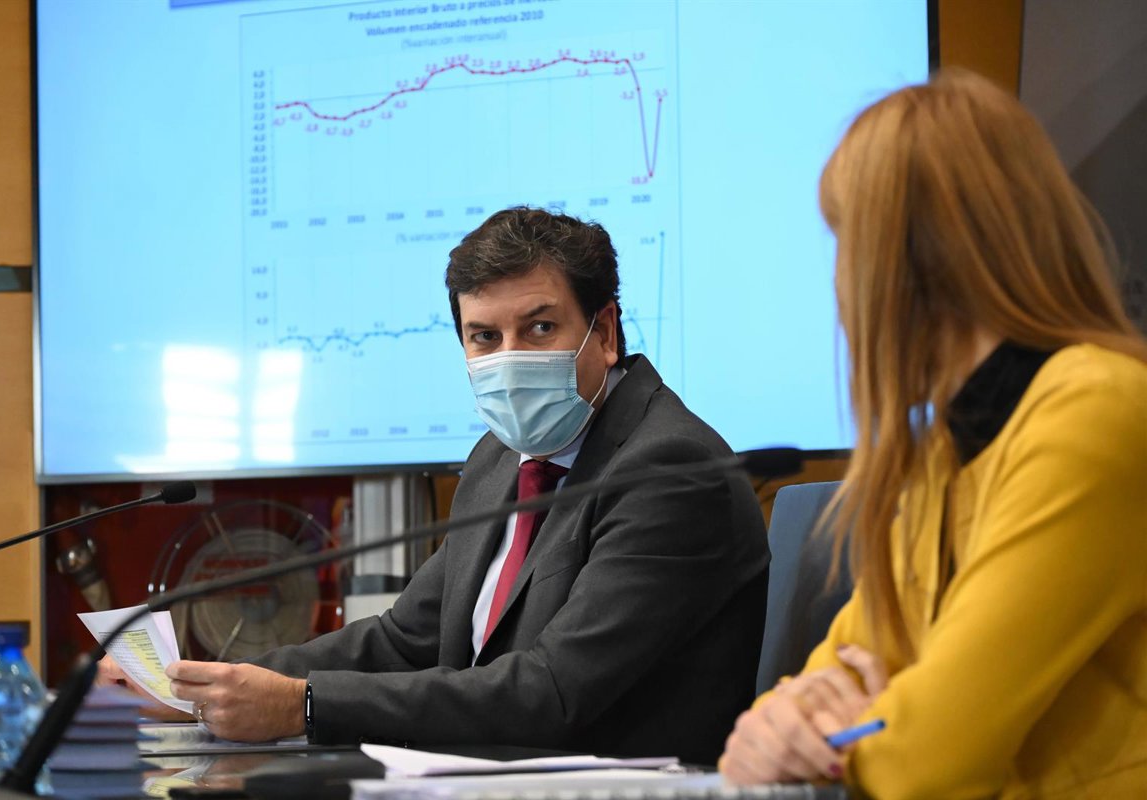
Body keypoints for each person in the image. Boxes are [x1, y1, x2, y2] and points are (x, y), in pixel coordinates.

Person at [102, 207, 769, 765]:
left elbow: (551, 692)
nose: (510, 357)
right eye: (485, 336)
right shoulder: (500, 459)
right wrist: (205, 688)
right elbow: (402, 643)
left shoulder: (671, 470)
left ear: (606, 332)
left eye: (540, 328)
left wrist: (303, 705)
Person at [719, 69, 1147, 798]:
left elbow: (926, 762)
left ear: (902, 259)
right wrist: (785, 725)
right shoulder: (952, 449)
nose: (840, 286)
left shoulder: (1095, 412)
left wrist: (849, 733)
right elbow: (813, 692)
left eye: (845, 245)